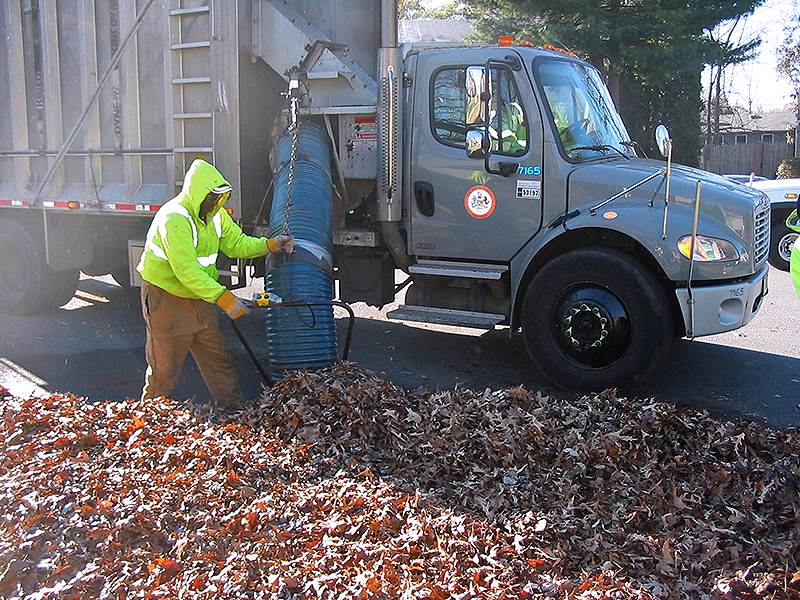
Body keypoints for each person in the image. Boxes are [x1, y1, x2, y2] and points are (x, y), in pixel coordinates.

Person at [136, 158, 294, 409]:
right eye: (211, 198)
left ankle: (233, 412)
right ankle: (151, 422)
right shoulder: (175, 219)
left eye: (219, 199)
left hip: (201, 298)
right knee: (164, 371)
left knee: (218, 360)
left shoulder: (216, 216)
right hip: (167, 299)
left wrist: (269, 245)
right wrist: (224, 298)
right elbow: (187, 272)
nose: (214, 204)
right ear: (197, 194)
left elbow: (237, 243)